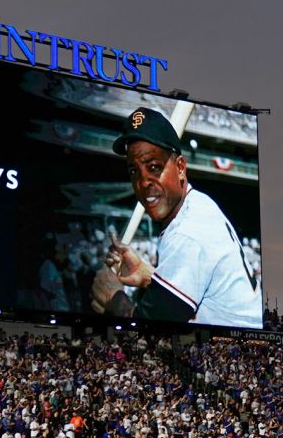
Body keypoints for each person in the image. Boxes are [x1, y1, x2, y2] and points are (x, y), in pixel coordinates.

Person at [90, 107, 262, 328]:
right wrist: (147, 275)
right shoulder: (199, 203)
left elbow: (150, 331)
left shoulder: (188, 232)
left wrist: (113, 298)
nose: (143, 183)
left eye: (154, 167)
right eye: (134, 171)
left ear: (180, 167)